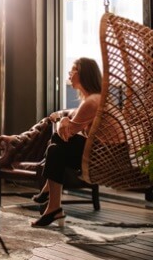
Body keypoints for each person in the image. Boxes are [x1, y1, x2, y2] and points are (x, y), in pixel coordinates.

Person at [30, 57, 102, 228]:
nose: (70, 73)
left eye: (74, 69)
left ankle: (52, 203)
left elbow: (67, 134)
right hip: (99, 152)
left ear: (84, 74)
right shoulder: (93, 99)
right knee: (55, 149)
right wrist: (62, 116)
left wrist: (62, 121)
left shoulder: (92, 102)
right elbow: (72, 114)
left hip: (101, 157)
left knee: (57, 143)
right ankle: (53, 207)